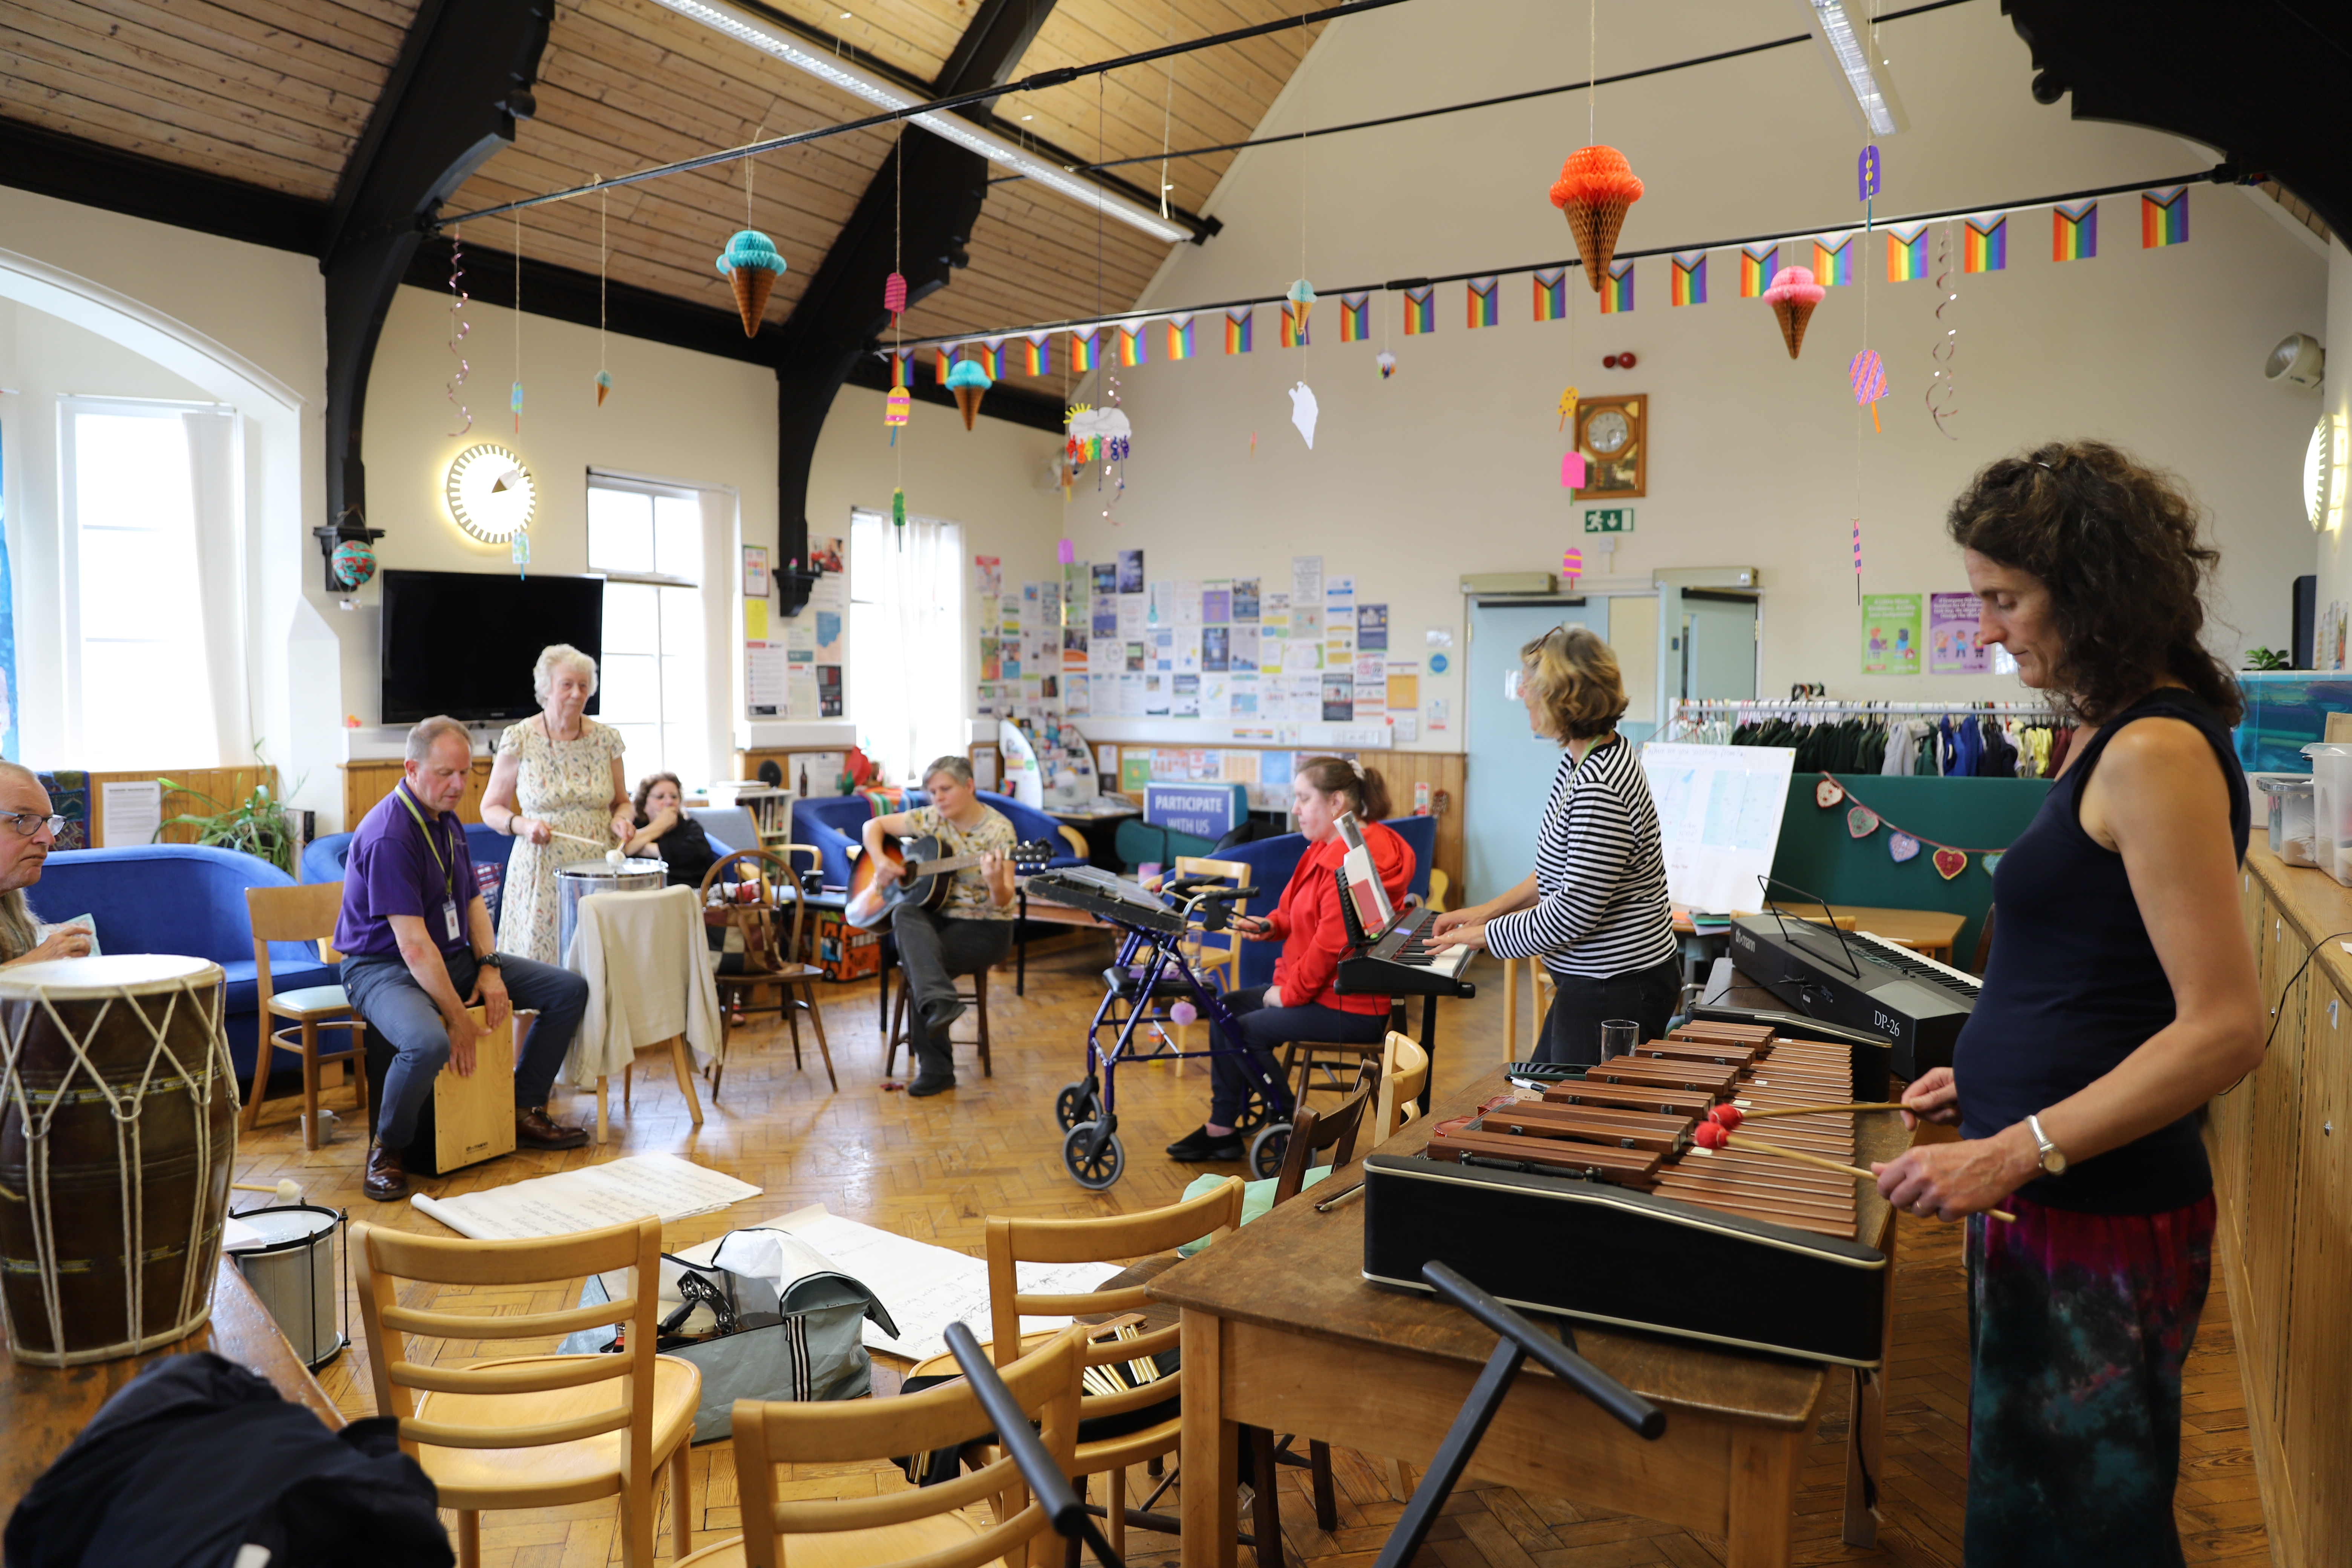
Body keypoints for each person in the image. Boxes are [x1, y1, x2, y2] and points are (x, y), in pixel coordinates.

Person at [1870, 441, 2265, 1566]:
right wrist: (1991, 1078)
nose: (1987, 628)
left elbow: (2224, 1026)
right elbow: (2101, 968)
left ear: (2088, 591)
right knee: (2032, 1514)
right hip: (2048, 1181)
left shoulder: (2153, 748)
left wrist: (2011, 1149)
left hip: (2099, 1207)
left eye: (2004, 597)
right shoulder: (2109, 728)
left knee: (2081, 1535)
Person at [337, 718, 592, 1201]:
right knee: (428, 1042)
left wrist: (491, 967)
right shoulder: (392, 833)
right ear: (412, 769)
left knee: (567, 990)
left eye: (465, 773)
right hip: (379, 966)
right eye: (445, 773)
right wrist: (458, 1018)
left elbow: (473, 901)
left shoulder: (446, 817)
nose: (458, 785)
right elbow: (412, 945)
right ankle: (387, 1148)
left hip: (447, 955)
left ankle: (522, 1107)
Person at [1427, 626, 1678, 1064]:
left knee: (1574, 1123)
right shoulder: (1584, 757)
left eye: (1532, 685)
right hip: (1598, 979)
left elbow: (1573, 914)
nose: (1523, 694)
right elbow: (1557, 871)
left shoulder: (1599, 784)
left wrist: (1481, 937)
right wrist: (1484, 911)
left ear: (1565, 698)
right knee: (1544, 1085)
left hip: (1616, 987)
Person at [1166, 758, 1413, 1162]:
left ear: (1336, 802)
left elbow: (1330, 946)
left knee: (1240, 1031)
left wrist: (1288, 994)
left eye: (1302, 798)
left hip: (1345, 1003)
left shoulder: (1349, 861)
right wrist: (1270, 924)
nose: (1295, 808)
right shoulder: (1325, 847)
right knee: (1223, 1008)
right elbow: (1298, 913)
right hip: (1324, 990)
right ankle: (1222, 1127)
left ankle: (1298, 1127)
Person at [861, 756, 1017, 1097]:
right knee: (904, 915)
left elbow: (1005, 900)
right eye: (932, 792)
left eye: (946, 789)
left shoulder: (999, 830)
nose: (938, 798)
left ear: (969, 786)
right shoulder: (929, 819)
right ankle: (941, 1007)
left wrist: (995, 883)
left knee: (922, 963)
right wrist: (881, 859)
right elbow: (873, 827)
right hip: (939, 918)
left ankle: (937, 1067)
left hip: (986, 927)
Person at [481, 645, 634, 964]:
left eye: (583, 685)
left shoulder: (607, 739)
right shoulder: (519, 737)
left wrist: (622, 820)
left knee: (597, 962)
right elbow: (491, 808)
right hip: (540, 870)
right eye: (567, 685)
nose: (577, 693)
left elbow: (623, 802)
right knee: (537, 965)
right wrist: (525, 826)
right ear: (547, 688)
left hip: (597, 870)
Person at [0, 763, 93, 966]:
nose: (48, 838)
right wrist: (31, 965)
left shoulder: (10, 900)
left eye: (47, 822)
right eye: (23, 820)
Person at [623, 773, 718, 890]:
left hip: (688, 890)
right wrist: (659, 826)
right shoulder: (633, 826)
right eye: (660, 797)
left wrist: (644, 849)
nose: (669, 802)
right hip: (643, 892)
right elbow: (623, 850)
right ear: (644, 804)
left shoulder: (689, 826)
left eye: (674, 797)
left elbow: (698, 851)